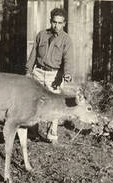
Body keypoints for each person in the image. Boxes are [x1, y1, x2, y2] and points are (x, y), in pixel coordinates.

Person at [25, 8, 74, 143]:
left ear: (64, 23)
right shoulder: (41, 35)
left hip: (55, 75)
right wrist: (28, 71)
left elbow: (68, 59)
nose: (56, 26)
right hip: (39, 72)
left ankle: (52, 134)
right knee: (35, 102)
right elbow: (33, 54)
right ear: (50, 21)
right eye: (54, 22)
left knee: (55, 105)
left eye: (59, 23)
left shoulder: (66, 40)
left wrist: (67, 74)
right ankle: (33, 132)